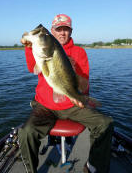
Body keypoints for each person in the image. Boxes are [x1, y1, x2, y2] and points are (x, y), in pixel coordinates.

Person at [19, 14, 114, 173]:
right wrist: (28, 46)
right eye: (58, 29)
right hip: (45, 106)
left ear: (71, 31)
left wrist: (81, 98)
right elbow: (32, 68)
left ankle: (93, 166)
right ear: (53, 31)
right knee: (26, 133)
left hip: (71, 105)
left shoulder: (79, 52)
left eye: (66, 29)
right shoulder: (40, 49)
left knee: (105, 123)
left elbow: (83, 81)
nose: (62, 33)